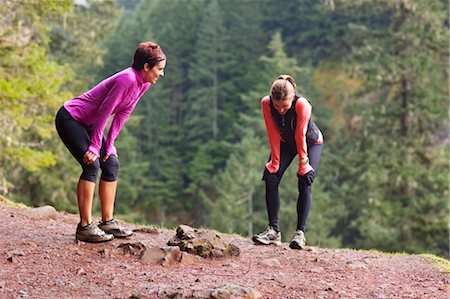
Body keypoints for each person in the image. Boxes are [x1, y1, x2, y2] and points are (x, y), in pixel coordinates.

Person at [55, 41, 166, 243]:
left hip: (88, 123)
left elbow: (123, 113)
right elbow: (105, 112)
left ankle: (107, 222)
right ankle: (85, 227)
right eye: (159, 69)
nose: (161, 74)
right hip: (71, 118)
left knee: (111, 162)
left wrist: (110, 144)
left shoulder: (143, 83)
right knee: (92, 164)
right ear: (146, 67)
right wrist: (96, 146)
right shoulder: (128, 79)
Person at [252, 75, 323, 249]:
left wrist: (303, 163)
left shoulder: (302, 104)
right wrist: (274, 162)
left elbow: (300, 134)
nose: (281, 110)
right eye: (278, 106)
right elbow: (273, 132)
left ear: (292, 98)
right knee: (271, 176)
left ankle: (300, 234)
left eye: (285, 106)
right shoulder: (266, 103)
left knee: (305, 179)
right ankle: (273, 231)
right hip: (285, 143)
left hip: (310, 142)